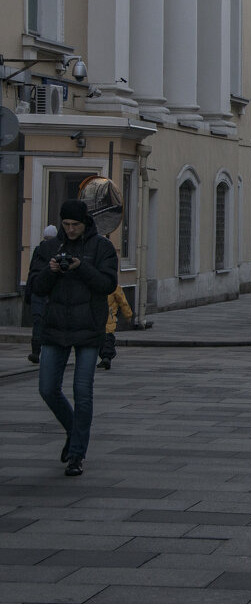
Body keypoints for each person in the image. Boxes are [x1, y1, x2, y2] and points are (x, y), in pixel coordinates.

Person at [29, 199, 118, 477]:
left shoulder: (101, 247)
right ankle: (73, 430)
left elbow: (107, 284)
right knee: (47, 389)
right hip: (55, 328)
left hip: (89, 329)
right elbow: (35, 288)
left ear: (85, 223)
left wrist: (81, 267)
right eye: (66, 224)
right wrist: (51, 270)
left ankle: (77, 455)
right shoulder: (49, 247)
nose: (70, 229)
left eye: (75, 225)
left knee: (83, 393)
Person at [24, 224, 58, 364]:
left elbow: (31, 272)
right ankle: (47, 352)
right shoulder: (58, 250)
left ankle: (36, 352)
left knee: (38, 323)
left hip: (38, 292)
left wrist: (28, 293)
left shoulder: (38, 251)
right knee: (50, 323)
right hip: (49, 293)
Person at [99, 285, 132, 370]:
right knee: (108, 338)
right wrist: (128, 315)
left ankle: (103, 357)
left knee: (98, 339)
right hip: (109, 317)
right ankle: (106, 357)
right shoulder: (115, 286)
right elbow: (123, 302)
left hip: (95, 319)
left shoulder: (94, 283)